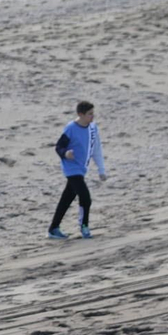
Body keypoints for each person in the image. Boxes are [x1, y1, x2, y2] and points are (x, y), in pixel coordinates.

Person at [49, 100, 108, 239]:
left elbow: (96, 149)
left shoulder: (93, 128)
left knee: (66, 199)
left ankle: (53, 228)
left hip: (82, 168)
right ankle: (84, 227)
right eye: (89, 114)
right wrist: (66, 154)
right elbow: (59, 147)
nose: (92, 117)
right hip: (71, 168)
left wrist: (101, 170)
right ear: (80, 114)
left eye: (93, 114)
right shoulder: (71, 128)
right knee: (85, 198)